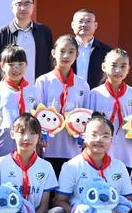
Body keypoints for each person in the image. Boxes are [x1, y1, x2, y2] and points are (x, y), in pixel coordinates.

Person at [35, 34, 92, 177]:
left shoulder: (82, 85)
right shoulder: (43, 81)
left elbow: (88, 117)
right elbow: (37, 113)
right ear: (53, 53)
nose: (66, 55)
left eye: (71, 52)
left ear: (77, 55)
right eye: (62, 51)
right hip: (48, 147)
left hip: (73, 149)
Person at [88, 48, 132, 176]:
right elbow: (88, 124)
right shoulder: (95, 94)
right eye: (113, 65)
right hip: (99, 153)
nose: (118, 70)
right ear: (104, 67)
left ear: (128, 69)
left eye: (123, 66)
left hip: (125, 154)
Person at [0, 45, 40, 163]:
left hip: (29, 150)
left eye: (20, 64)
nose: (16, 68)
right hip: (2, 148)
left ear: (26, 65)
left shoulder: (33, 91)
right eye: (11, 64)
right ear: (2, 66)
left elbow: (39, 120)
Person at [0, 0, 54, 85]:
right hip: (11, 89)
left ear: (33, 6)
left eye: (27, 4)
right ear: (12, 7)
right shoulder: (2, 34)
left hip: (38, 88)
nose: (23, 8)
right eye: (19, 4)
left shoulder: (44, 32)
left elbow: (51, 61)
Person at [71, 8, 112, 89]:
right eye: (80, 21)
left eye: (88, 21)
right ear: (72, 25)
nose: (84, 24)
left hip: (95, 94)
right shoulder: (63, 49)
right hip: (68, 94)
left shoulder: (107, 51)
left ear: (95, 25)